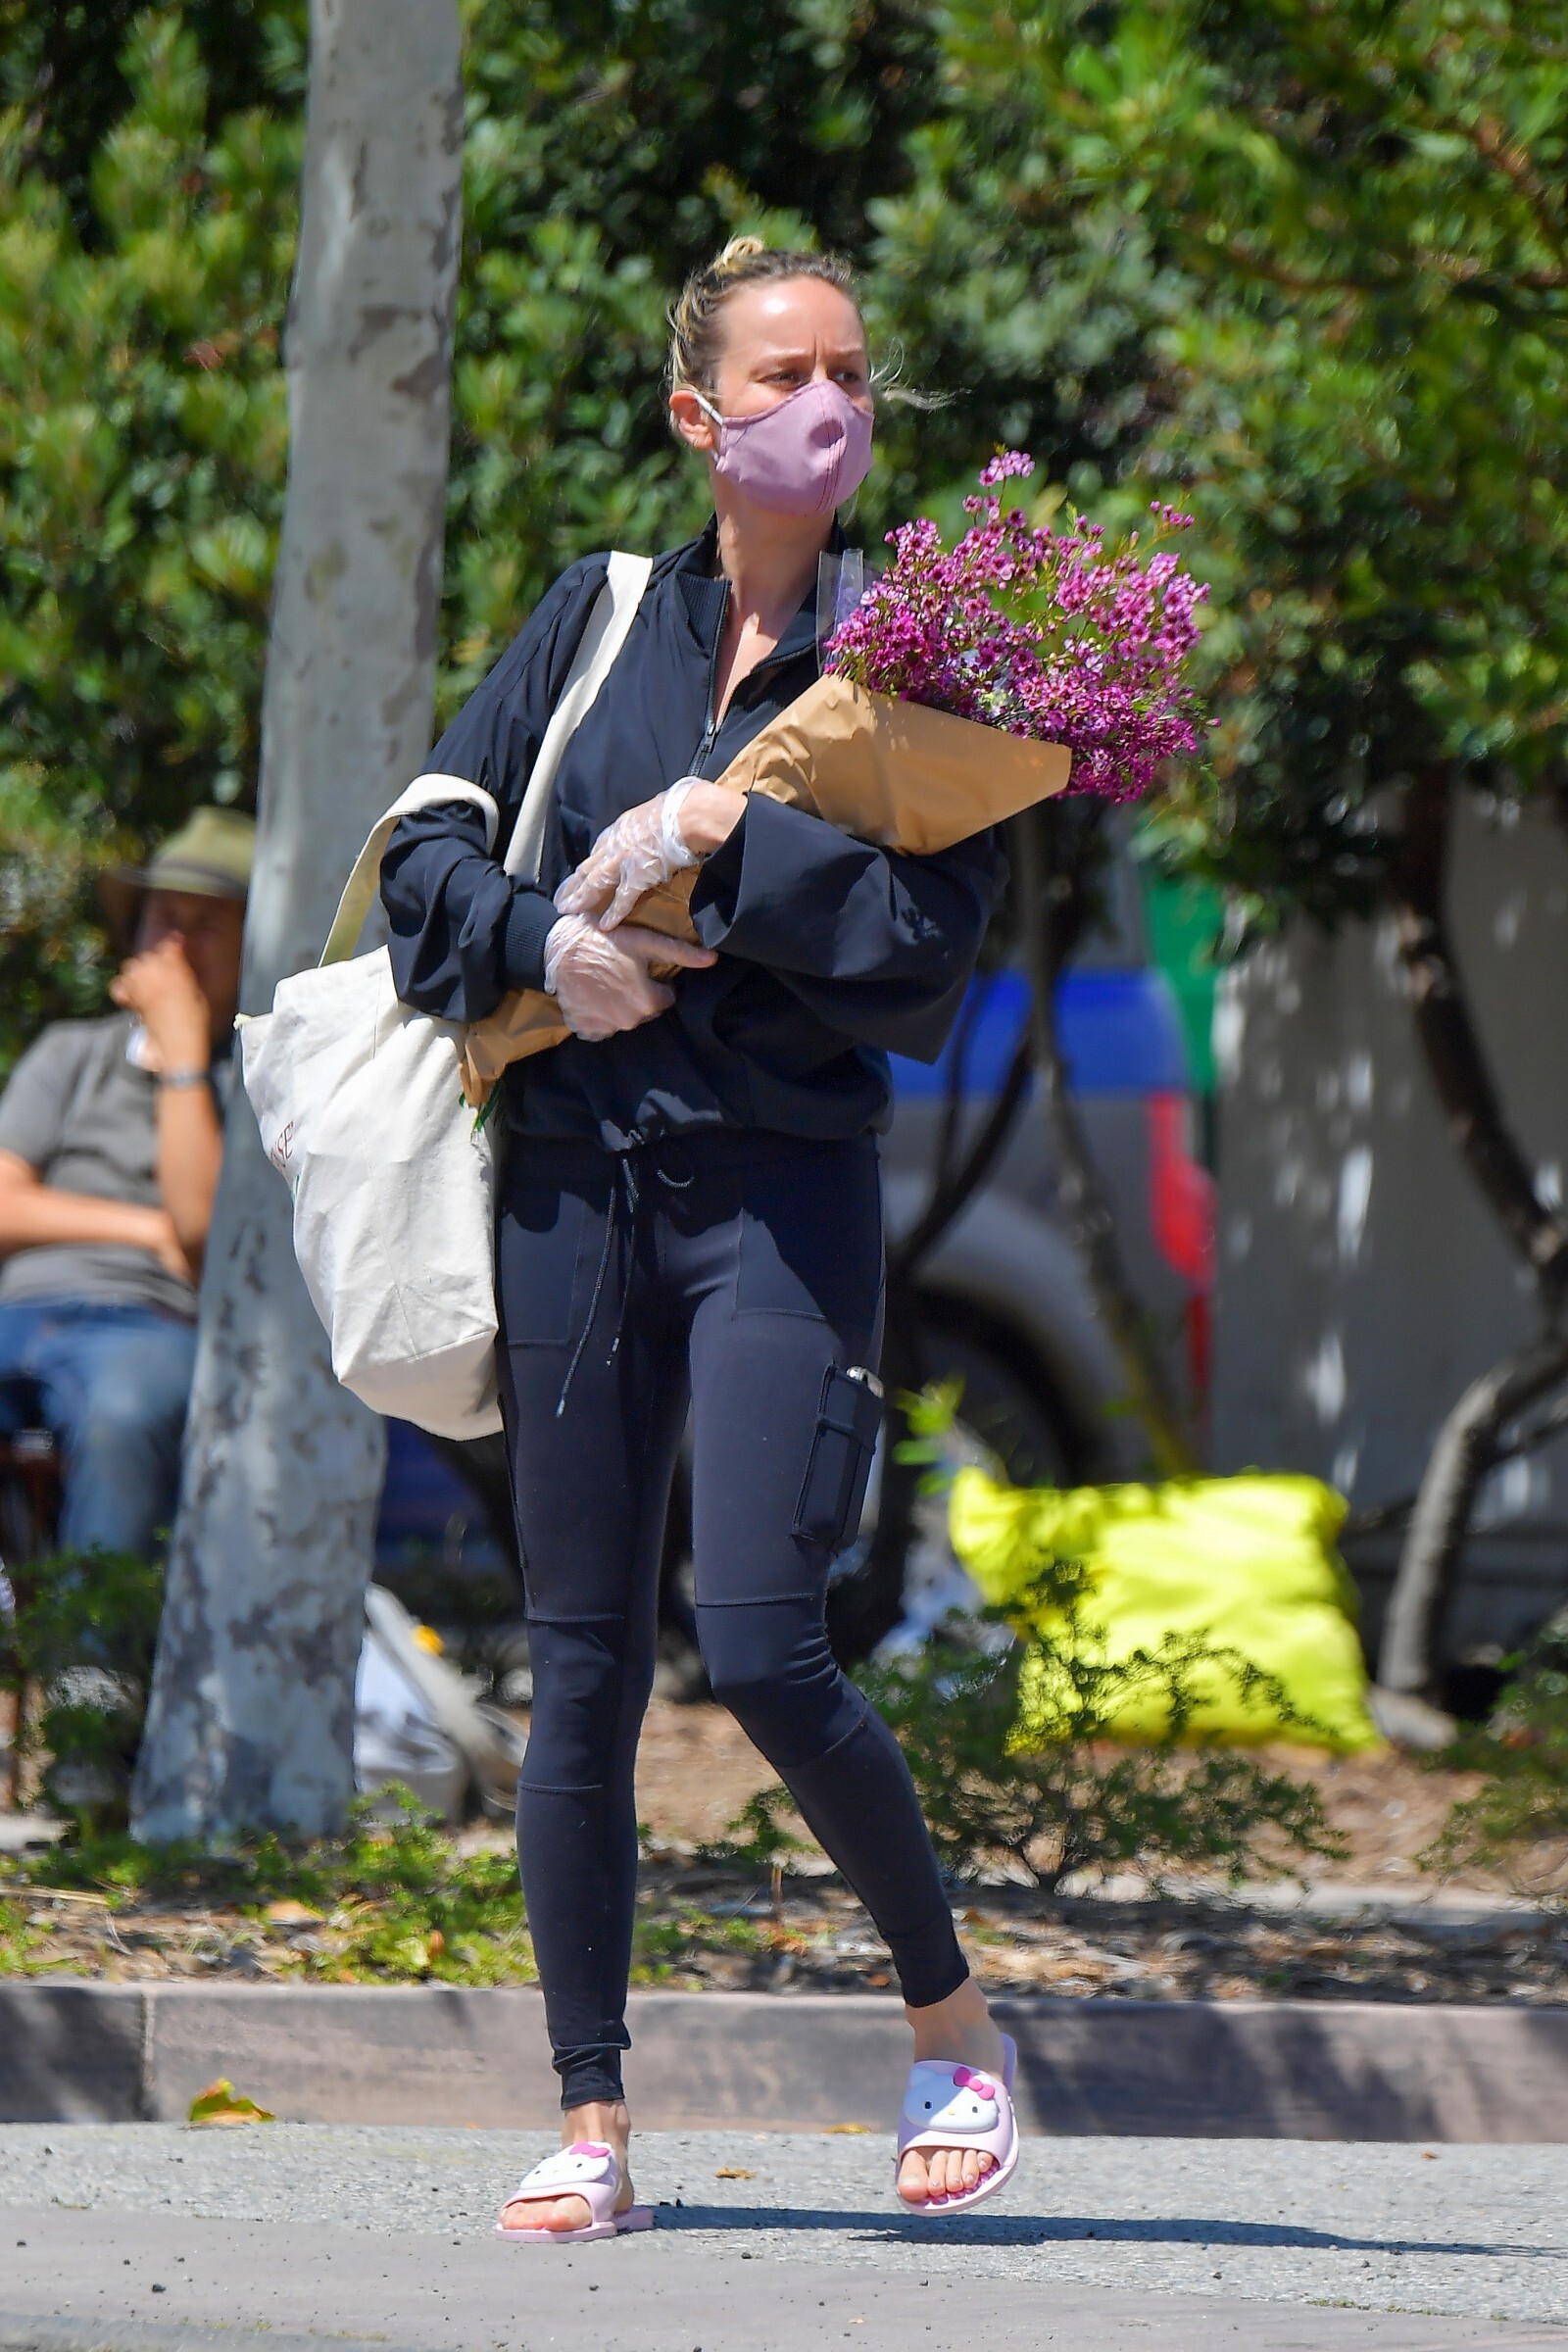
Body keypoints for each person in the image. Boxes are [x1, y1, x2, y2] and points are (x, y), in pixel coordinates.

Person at [382, 238, 1017, 2234]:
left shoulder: (911, 659)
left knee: (759, 1637)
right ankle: (591, 2123)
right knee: (580, 1666)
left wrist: (738, 846)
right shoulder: (596, 618)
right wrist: (545, 945)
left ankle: (953, 2030)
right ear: (697, 415)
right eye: (782, 373)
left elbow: (928, 958)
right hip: (573, 1190)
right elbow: (419, 858)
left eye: (850, 372)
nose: (826, 404)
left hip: (777, 1198)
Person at [0, 808, 253, 1561]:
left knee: (125, 1412)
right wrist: (148, 1229)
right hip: (21, 1308)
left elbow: (203, 1233)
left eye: (206, 926)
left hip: (149, 1325)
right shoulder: (71, 1054)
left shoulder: (253, 1079)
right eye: (163, 918)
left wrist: (182, 1056)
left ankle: (96, 1638)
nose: (175, 944)